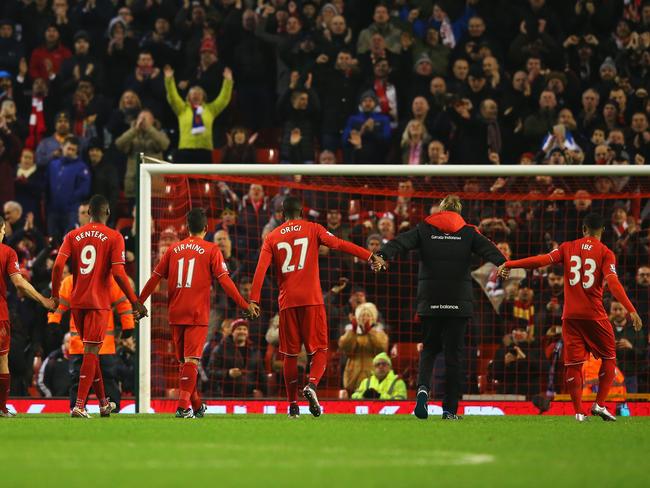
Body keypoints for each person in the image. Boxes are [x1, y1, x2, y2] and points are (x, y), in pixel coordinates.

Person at [499, 213, 643, 422]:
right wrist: (631, 310)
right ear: (602, 231)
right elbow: (613, 283)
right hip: (594, 315)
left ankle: (578, 412)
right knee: (609, 357)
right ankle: (600, 405)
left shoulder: (567, 247)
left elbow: (540, 261)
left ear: (584, 229)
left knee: (573, 365)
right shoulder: (606, 252)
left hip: (571, 316)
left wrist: (510, 264)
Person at [250, 196, 385, 418]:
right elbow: (340, 244)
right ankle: (312, 385)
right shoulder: (313, 228)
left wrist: (253, 300)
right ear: (301, 212)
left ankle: (292, 405)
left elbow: (260, 269)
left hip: (287, 302)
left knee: (290, 355)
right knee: (320, 349)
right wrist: (369, 255)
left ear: (283, 214)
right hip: (312, 299)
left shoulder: (272, 236)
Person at [378, 195, 506, 420]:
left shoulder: (425, 229)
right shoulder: (468, 233)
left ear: (440, 210)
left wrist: (382, 255)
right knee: (454, 357)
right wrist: (503, 262)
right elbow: (490, 249)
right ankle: (449, 410)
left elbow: (400, 242)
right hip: (458, 303)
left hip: (430, 301)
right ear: (459, 212)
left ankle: (422, 391)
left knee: (429, 350)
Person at [138, 208, 259, 418]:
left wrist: (139, 302)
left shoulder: (173, 249)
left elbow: (155, 278)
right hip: (196, 313)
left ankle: (196, 405)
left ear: (186, 228)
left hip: (175, 312)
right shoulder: (212, 249)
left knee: (184, 365)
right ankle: (183, 407)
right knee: (191, 361)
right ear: (206, 228)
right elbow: (225, 282)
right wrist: (244, 304)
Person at [50, 195, 146, 418]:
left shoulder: (73, 235)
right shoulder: (114, 236)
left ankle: (103, 403)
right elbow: (119, 273)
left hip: (77, 303)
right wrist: (135, 301)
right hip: (98, 304)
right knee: (92, 353)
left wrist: (55, 295)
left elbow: (57, 267)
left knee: (90, 353)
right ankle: (80, 406)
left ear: (89, 213)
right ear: (108, 212)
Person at [48, 274, 134, 411]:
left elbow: (59, 302)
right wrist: (128, 325)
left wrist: (54, 320)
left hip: (82, 343)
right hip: (101, 343)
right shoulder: (107, 280)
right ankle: (105, 407)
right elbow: (123, 302)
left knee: (85, 377)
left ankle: (80, 407)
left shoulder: (72, 281)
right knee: (103, 378)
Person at [1, 215, 55, 417]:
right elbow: (20, 283)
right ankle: (1, 407)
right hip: (0, 315)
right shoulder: (7, 252)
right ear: (3, 230)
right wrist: (44, 300)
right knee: (2, 361)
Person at [163, 64, 233, 164]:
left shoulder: (210, 109)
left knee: (203, 180)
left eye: (199, 93)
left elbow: (224, 98)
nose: (196, 95)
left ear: (203, 97)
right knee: (185, 180)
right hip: (185, 151)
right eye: (193, 93)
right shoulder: (181, 109)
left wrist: (228, 81)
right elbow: (172, 96)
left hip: (204, 152)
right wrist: (169, 80)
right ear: (188, 97)